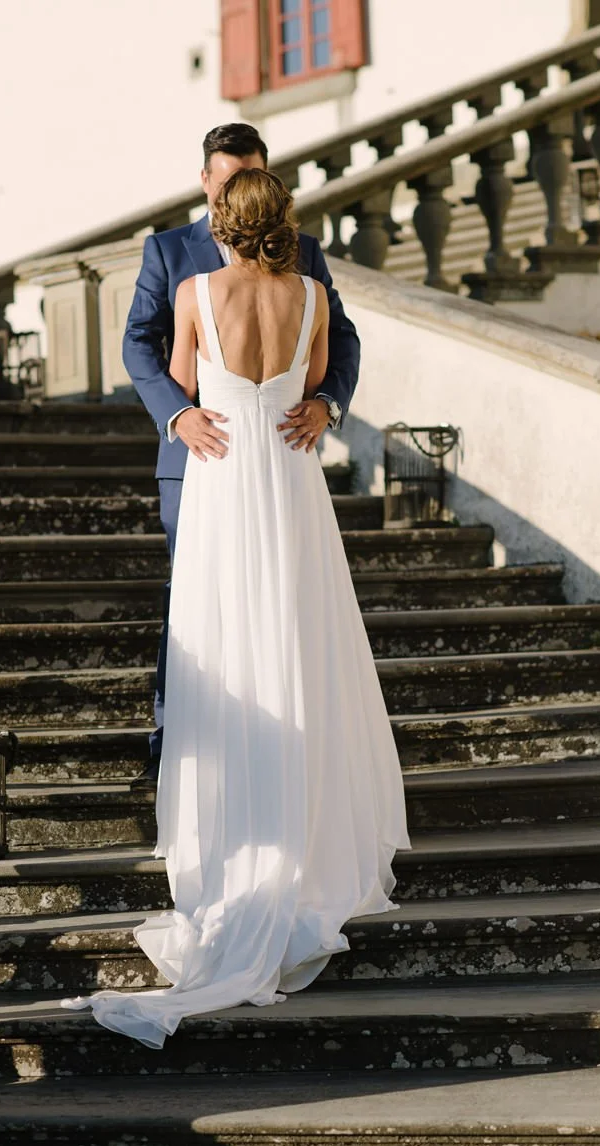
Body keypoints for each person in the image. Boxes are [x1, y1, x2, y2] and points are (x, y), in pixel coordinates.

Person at [62, 168, 410, 1046]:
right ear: (285, 221)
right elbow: (319, 385)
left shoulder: (193, 290)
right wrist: (304, 403)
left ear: (220, 220)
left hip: (221, 478)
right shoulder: (315, 299)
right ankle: (312, 837)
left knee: (228, 646)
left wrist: (202, 408)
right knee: (299, 646)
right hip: (289, 479)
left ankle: (234, 843)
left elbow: (184, 378)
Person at [123, 123, 360, 791]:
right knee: (197, 605)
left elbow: (344, 344)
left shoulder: (301, 259)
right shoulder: (168, 251)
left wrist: (328, 405)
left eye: (247, 177)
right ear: (206, 180)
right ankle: (177, 747)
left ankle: (273, 765)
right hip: (202, 453)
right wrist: (177, 411)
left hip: (268, 449)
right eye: (226, 178)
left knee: (279, 606)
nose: (234, 189)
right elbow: (138, 343)